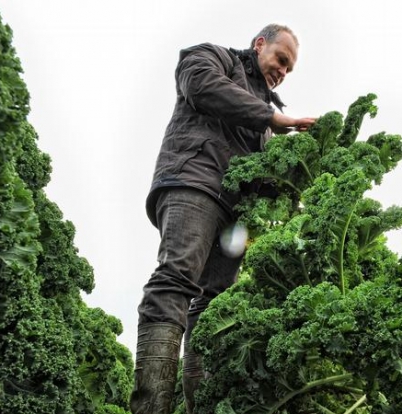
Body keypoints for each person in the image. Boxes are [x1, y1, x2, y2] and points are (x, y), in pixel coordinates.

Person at [130, 24, 316, 414]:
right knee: (176, 280)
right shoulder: (212, 57)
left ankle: (204, 407)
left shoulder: (268, 117)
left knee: (214, 306)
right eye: (281, 60)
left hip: (236, 218)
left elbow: (261, 176)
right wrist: (269, 118)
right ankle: (151, 408)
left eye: (289, 69)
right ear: (260, 44)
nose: (282, 71)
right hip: (194, 181)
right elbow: (201, 86)